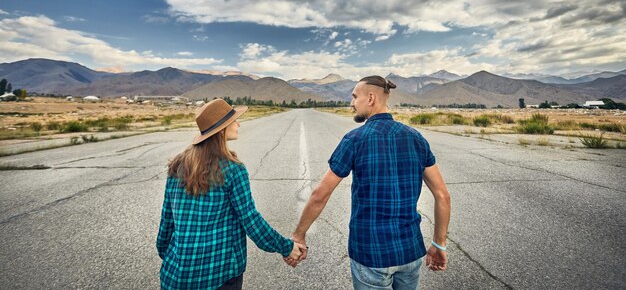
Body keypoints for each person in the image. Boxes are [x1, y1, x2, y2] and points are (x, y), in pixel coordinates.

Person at [288, 76, 451, 289]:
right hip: (410, 251)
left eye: (355, 97)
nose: (352, 103)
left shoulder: (355, 139)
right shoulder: (416, 138)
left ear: (371, 98)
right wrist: (439, 243)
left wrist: (298, 235)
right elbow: (442, 195)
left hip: (371, 252)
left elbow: (320, 194)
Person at [157, 98, 305, 290]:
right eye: (233, 120)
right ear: (221, 129)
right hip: (218, 275)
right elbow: (252, 222)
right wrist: (287, 247)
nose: (238, 123)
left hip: (175, 276)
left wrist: (169, 256)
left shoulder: (177, 165)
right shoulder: (233, 170)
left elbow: (166, 223)